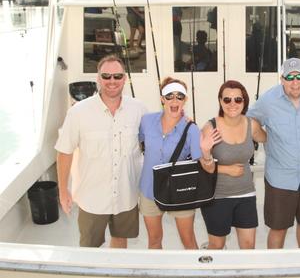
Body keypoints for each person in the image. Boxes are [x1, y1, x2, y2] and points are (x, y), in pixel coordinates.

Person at [55, 55, 147, 248]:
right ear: (98, 78)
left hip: (126, 195)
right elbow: (64, 152)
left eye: (117, 76)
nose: (112, 81)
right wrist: (63, 191)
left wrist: (182, 119)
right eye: (106, 76)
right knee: (90, 248)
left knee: (120, 240)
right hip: (91, 198)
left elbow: (155, 136)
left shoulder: (139, 109)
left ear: (125, 79)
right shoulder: (78, 112)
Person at [248, 58, 300, 248]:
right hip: (280, 179)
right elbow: (248, 120)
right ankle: (275, 270)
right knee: (278, 229)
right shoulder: (268, 100)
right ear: (282, 79)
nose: (295, 82)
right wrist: (263, 137)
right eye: (290, 77)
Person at [138, 77, 220, 249]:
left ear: (185, 100)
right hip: (149, 191)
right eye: (169, 96)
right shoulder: (146, 121)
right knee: (154, 240)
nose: (174, 101)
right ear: (162, 99)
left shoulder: (192, 129)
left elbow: (208, 169)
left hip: (180, 192)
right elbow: (136, 142)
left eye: (180, 96)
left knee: (188, 240)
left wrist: (206, 152)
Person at [200, 80, 267, 249]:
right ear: (220, 101)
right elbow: (201, 165)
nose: (232, 104)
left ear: (244, 102)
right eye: (227, 100)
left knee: (248, 246)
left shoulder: (252, 124)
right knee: (217, 245)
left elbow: (270, 139)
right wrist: (225, 169)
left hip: (246, 194)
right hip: (217, 196)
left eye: (238, 99)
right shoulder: (210, 128)